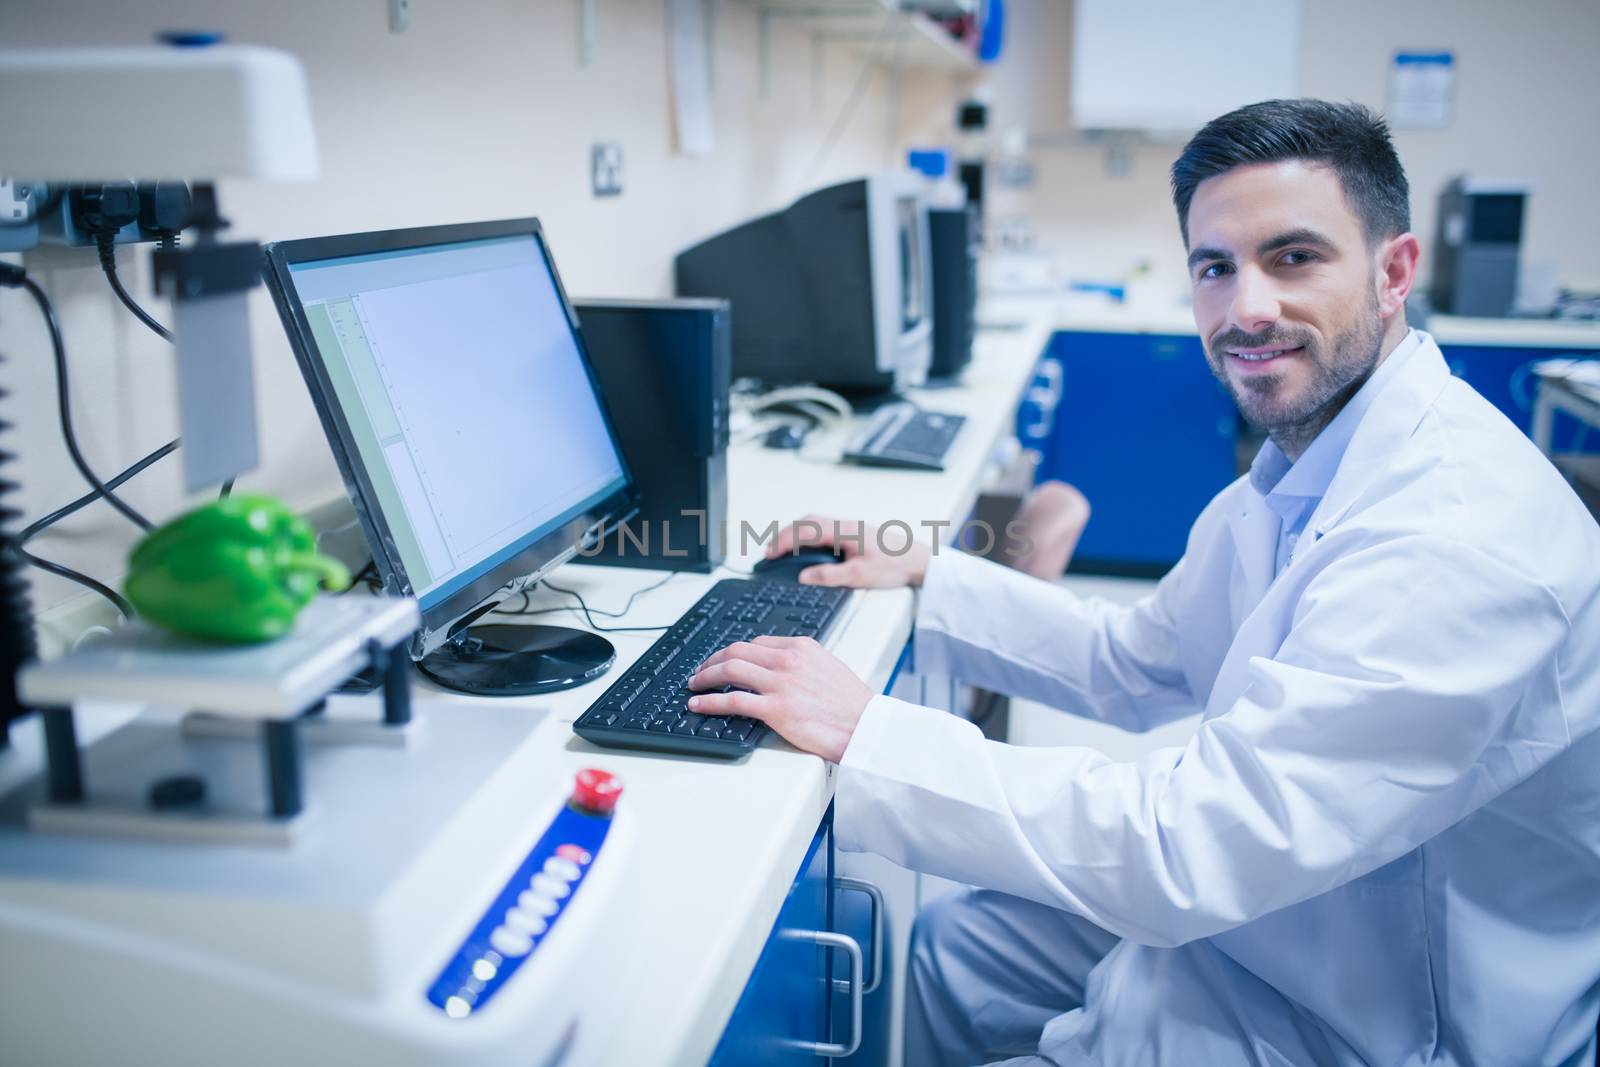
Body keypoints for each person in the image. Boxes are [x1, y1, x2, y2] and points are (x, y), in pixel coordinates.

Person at [686, 99, 1600, 1065]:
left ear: (1394, 271)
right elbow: (1134, 656)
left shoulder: (1451, 537)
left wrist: (876, 733)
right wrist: (933, 575)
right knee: (960, 949)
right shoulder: (1305, 468)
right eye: (1216, 266)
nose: (1247, 306)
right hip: (1300, 916)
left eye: (1293, 257)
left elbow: (1189, 847)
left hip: (1391, 1015)